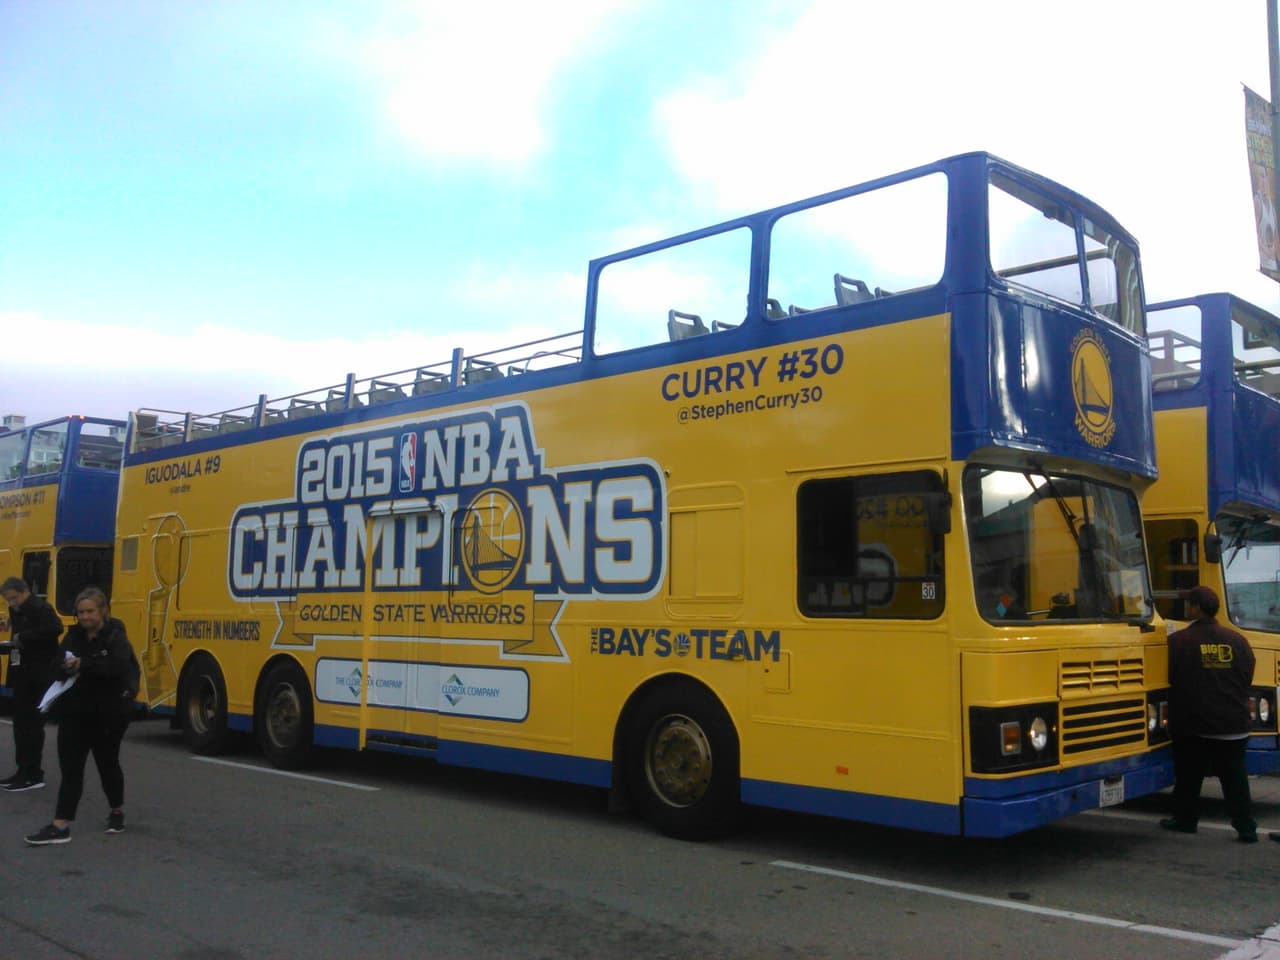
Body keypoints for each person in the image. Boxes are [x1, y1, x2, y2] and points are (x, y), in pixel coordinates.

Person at [25, 587, 138, 846]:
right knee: (71, 770)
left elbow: (119, 667)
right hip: (74, 713)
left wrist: (83, 664)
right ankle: (60, 825)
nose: (85, 617)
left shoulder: (116, 637)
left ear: (103, 611)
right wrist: (64, 666)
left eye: (90, 611)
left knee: (107, 764)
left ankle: (116, 809)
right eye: (81, 612)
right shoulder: (73, 636)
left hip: (107, 715)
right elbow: (55, 664)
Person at [1161, 584, 1258, 843]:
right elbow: (1247, 676)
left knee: (1189, 776)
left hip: (1196, 725)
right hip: (1234, 724)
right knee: (1235, 779)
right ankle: (1246, 828)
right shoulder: (1238, 640)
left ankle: (1185, 820)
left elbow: (1169, 678)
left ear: (1194, 608)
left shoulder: (1178, 642)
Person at [0, 576, 65, 792]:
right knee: (20, 724)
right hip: (23, 673)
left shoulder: (40, 607)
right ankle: (22, 770)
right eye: (8, 600)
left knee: (32, 725)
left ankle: (34, 773)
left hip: (39, 674)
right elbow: (18, 639)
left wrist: (24, 637)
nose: (12, 603)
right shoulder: (17, 610)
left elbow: (56, 628)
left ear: (25, 591)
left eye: (14, 598)